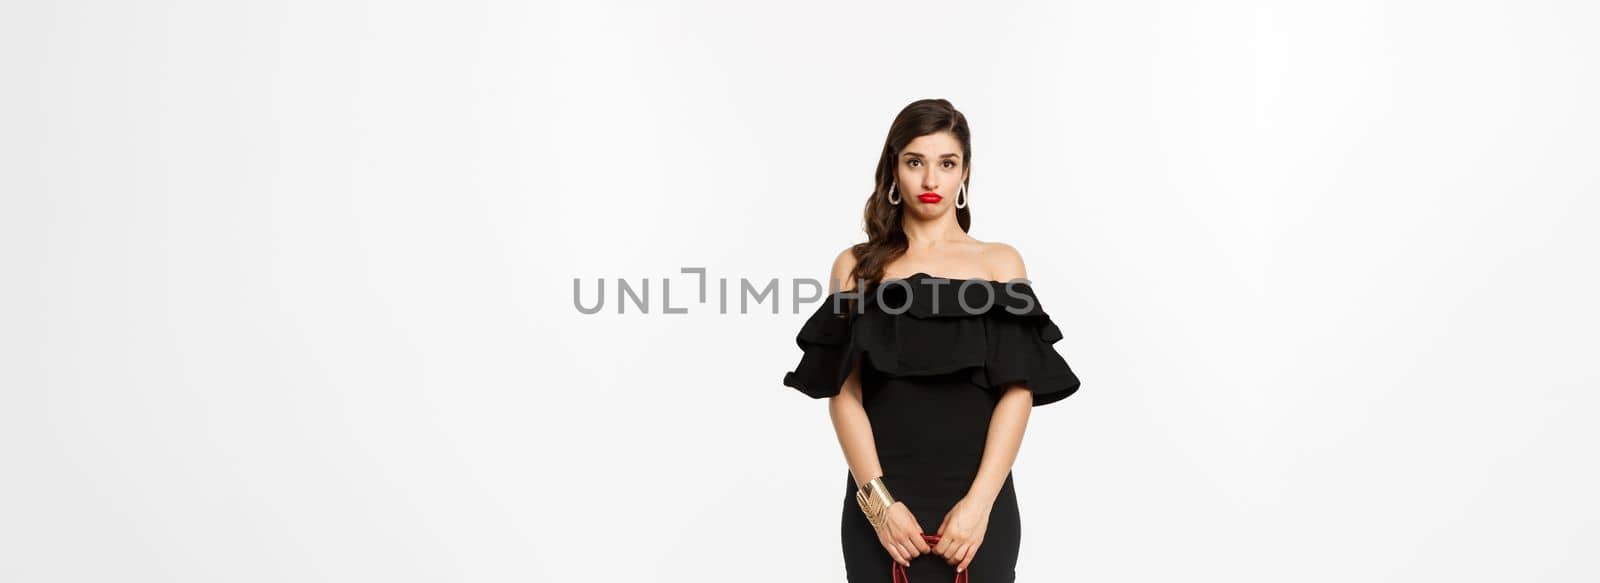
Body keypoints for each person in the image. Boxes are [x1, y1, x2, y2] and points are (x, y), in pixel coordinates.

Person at [782, 98, 1082, 582]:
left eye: (947, 164)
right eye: (915, 162)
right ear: (893, 169)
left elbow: (1018, 390)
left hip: (979, 505)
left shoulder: (999, 264)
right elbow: (844, 392)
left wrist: (979, 505)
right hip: (881, 502)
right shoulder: (855, 266)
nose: (930, 181)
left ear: (964, 174)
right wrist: (879, 506)